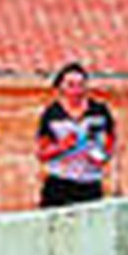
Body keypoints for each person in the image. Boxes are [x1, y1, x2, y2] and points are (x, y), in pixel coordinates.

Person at [37, 62, 117, 209]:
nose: (76, 91)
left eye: (81, 85)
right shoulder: (52, 114)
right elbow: (42, 153)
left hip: (90, 182)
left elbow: (110, 142)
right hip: (60, 182)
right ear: (61, 87)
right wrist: (62, 146)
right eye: (71, 85)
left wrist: (101, 157)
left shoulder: (99, 111)